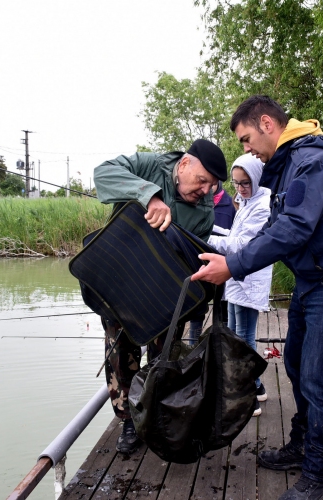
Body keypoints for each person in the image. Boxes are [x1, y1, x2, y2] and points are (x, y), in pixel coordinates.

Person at [192, 95, 323, 500]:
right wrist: (230, 256)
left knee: (319, 376)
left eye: (245, 139)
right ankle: (302, 444)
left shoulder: (312, 160)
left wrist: (235, 267)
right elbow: (275, 230)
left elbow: (294, 228)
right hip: (314, 279)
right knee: (295, 363)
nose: (246, 149)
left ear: (266, 123)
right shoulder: (290, 164)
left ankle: (319, 475)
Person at [93, 139, 227, 454]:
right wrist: (149, 196)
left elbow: (190, 257)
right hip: (119, 280)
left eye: (212, 185)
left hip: (162, 291)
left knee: (162, 356)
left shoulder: (203, 210)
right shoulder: (148, 165)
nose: (206, 191)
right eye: (202, 180)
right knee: (121, 355)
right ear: (183, 165)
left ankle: (151, 415)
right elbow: (103, 174)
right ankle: (128, 420)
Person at [208, 153, 272, 417]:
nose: (240, 189)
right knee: (234, 335)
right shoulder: (245, 201)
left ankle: (248, 397)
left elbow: (239, 245)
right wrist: (207, 229)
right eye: (236, 183)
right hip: (235, 275)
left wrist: (207, 238)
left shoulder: (263, 204)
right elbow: (233, 235)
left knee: (243, 340)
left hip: (249, 278)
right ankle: (256, 387)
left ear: (256, 178)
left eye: (245, 183)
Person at [187, 181, 236, 344]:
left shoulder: (229, 205)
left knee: (222, 310)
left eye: (212, 184)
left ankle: (220, 348)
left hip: (221, 266)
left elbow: (234, 238)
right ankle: (193, 349)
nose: (207, 189)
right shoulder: (195, 199)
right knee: (196, 309)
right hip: (197, 262)